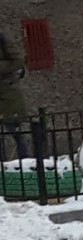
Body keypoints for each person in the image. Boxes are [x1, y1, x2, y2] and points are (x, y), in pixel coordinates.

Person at [0, 32, 30, 163]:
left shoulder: (2, 41)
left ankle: (27, 165)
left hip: (8, 96)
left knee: (16, 134)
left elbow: (18, 61)